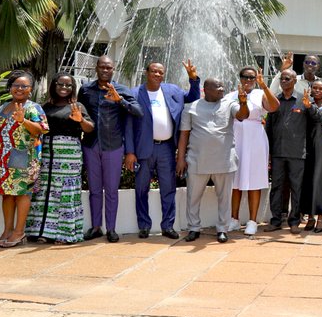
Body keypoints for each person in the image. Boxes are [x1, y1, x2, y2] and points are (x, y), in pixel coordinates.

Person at [125, 60, 200, 239]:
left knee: (168, 188)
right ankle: (144, 225)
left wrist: (193, 79)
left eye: (160, 72)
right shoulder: (135, 93)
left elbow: (193, 98)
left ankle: (168, 226)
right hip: (144, 149)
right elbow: (128, 125)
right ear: (146, 72)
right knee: (142, 188)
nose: (157, 75)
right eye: (154, 71)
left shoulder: (172, 90)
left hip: (166, 148)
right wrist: (130, 151)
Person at [177, 78, 249, 242]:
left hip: (224, 161)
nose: (222, 88)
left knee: (225, 198)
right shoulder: (191, 107)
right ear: (206, 89)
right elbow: (184, 134)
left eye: (223, 85)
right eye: (218, 86)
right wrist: (181, 158)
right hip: (197, 160)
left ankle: (222, 229)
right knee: (193, 198)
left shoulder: (230, 104)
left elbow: (242, 115)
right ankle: (193, 228)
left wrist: (243, 103)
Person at [79, 55, 142, 242]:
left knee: (112, 189)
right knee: (95, 189)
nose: (105, 70)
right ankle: (96, 227)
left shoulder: (122, 89)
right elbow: (80, 112)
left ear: (113, 69)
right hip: (91, 144)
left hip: (113, 145)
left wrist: (119, 100)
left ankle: (112, 229)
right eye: (102, 67)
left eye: (109, 68)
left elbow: (138, 112)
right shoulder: (85, 90)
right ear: (96, 68)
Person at [26, 74, 93, 244]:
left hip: (69, 154)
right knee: (45, 191)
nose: (64, 87)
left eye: (69, 85)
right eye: (60, 84)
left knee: (65, 192)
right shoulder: (45, 106)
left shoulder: (76, 106)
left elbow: (90, 128)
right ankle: (42, 231)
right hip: (47, 153)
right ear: (53, 85)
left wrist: (81, 120)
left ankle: (65, 233)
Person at [0, 72, 48, 248]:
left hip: (25, 159)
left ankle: (19, 232)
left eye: (24, 86)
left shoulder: (33, 108)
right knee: (7, 194)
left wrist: (23, 121)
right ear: (10, 87)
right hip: (2, 159)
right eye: (16, 85)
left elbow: (41, 129)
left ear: (30, 90)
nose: (19, 89)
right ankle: (7, 231)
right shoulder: (2, 108)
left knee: (22, 194)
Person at [229, 66, 279, 236]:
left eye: (252, 77)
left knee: (254, 181)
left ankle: (252, 221)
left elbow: (273, 107)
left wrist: (263, 85)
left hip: (255, 139)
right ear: (240, 78)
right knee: (235, 181)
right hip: (236, 138)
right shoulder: (231, 95)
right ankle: (234, 219)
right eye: (245, 77)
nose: (248, 80)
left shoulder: (260, 94)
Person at [264, 69, 311, 233]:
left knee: (296, 187)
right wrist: (268, 150)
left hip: (297, 152)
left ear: (295, 81)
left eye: (287, 78)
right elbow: (269, 126)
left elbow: (312, 123)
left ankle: (294, 221)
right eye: (282, 79)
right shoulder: (275, 100)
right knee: (276, 186)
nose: (284, 81)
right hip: (277, 151)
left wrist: (309, 108)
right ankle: (276, 220)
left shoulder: (303, 100)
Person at [302, 79, 322, 233]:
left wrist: (309, 106)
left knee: (319, 182)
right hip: (307, 146)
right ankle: (310, 217)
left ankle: (320, 217)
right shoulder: (305, 103)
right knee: (307, 181)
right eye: (315, 88)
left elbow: (320, 118)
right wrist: (307, 105)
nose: (318, 91)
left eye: (321, 88)